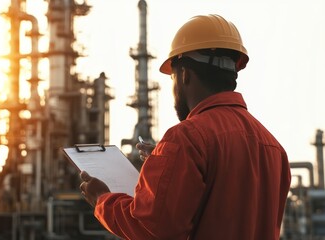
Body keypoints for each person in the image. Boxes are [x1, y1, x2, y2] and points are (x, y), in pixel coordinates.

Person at [79, 14, 291, 239]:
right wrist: (168, 161)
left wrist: (102, 199)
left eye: (172, 78)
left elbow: (151, 230)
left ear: (184, 76)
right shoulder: (274, 148)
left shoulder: (187, 138)